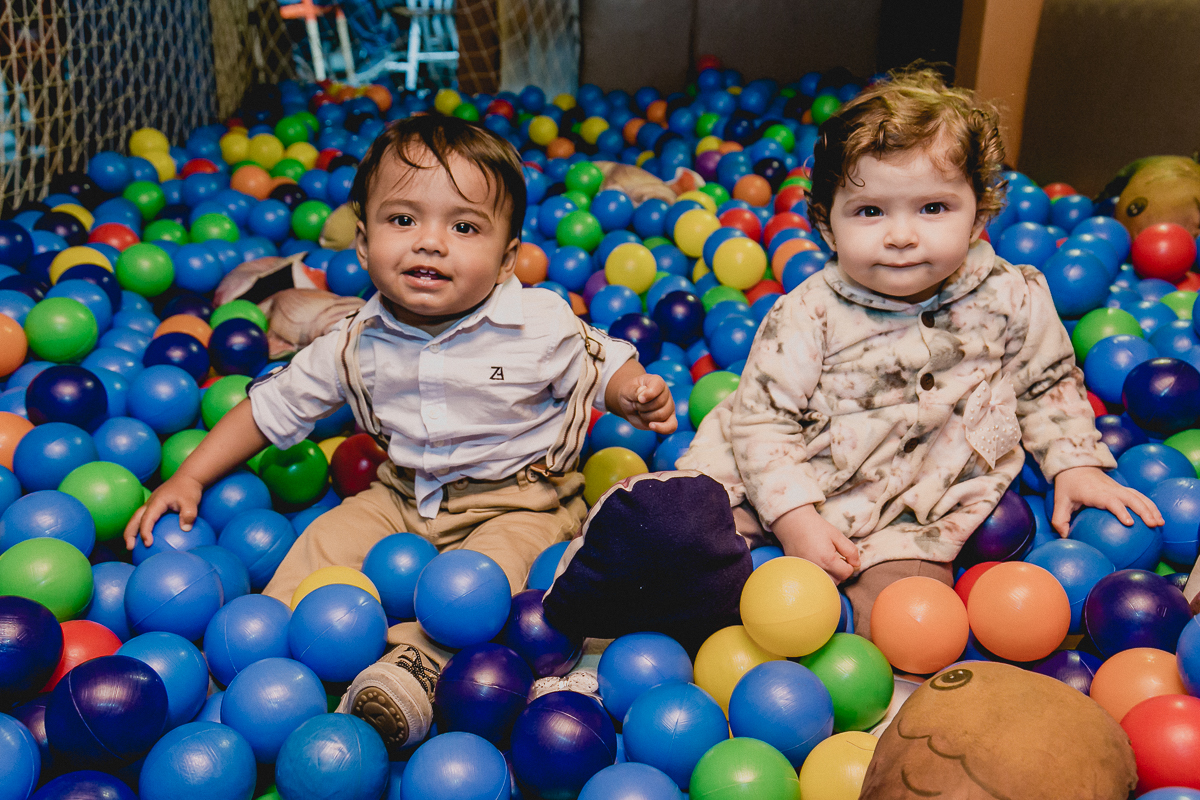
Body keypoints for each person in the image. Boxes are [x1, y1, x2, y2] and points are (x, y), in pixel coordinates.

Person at [123, 114, 676, 755]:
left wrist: (633, 394)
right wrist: (191, 474)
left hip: (521, 500)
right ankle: (269, 647)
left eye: (464, 226)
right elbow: (270, 409)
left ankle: (413, 664)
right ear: (362, 242)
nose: (429, 243)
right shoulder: (356, 343)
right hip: (402, 496)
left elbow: (603, 360)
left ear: (506, 257)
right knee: (322, 538)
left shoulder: (537, 323)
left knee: (483, 581)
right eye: (402, 220)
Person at [678, 69, 1162, 639]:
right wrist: (794, 519)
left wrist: (1074, 462)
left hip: (920, 500)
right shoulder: (807, 313)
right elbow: (764, 422)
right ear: (826, 227)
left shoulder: (1013, 295)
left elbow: (1045, 382)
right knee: (695, 535)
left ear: (979, 213)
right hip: (792, 466)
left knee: (908, 617)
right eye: (870, 212)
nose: (902, 235)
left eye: (933, 208)